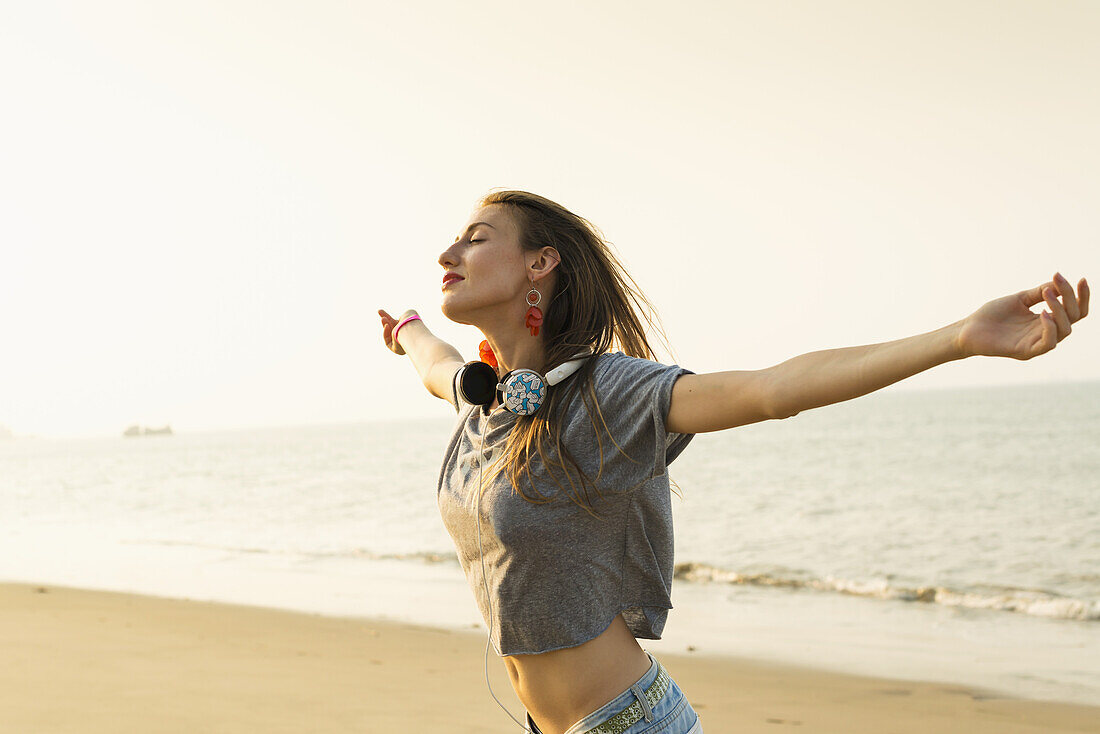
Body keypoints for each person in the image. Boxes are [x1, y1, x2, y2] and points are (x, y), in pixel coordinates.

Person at [378, 190, 1089, 734]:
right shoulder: (486, 398)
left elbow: (770, 390)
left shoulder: (605, 395)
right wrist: (408, 331)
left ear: (541, 263)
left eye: (475, 240)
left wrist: (960, 338)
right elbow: (433, 361)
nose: (448, 255)